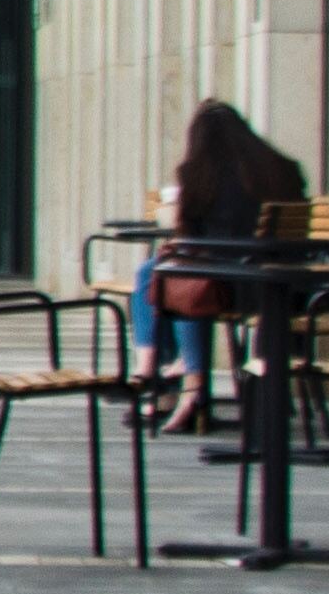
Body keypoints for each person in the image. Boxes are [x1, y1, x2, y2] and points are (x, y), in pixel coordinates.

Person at [131, 97, 308, 425]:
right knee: (166, 274)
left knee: (172, 277)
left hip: (230, 287)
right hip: (285, 285)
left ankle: (166, 374)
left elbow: (188, 238)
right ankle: (172, 377)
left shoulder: (198, 175)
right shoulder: (284, 168)